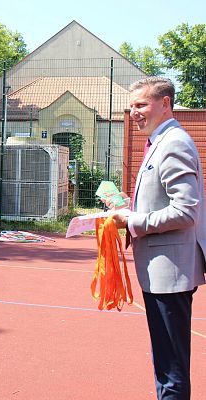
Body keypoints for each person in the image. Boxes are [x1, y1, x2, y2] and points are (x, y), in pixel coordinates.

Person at [110, 77, 206, 400]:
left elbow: (186, 210)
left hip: (170, 274)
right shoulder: (160, 141)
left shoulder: (173, 142)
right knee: (166, 365)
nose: (134, 112)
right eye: (132, 105)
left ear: (165, 104)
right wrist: (127, 206)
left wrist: (134, 220)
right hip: (161, 272)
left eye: (141, 105)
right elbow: (165, 201)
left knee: (171, 370)